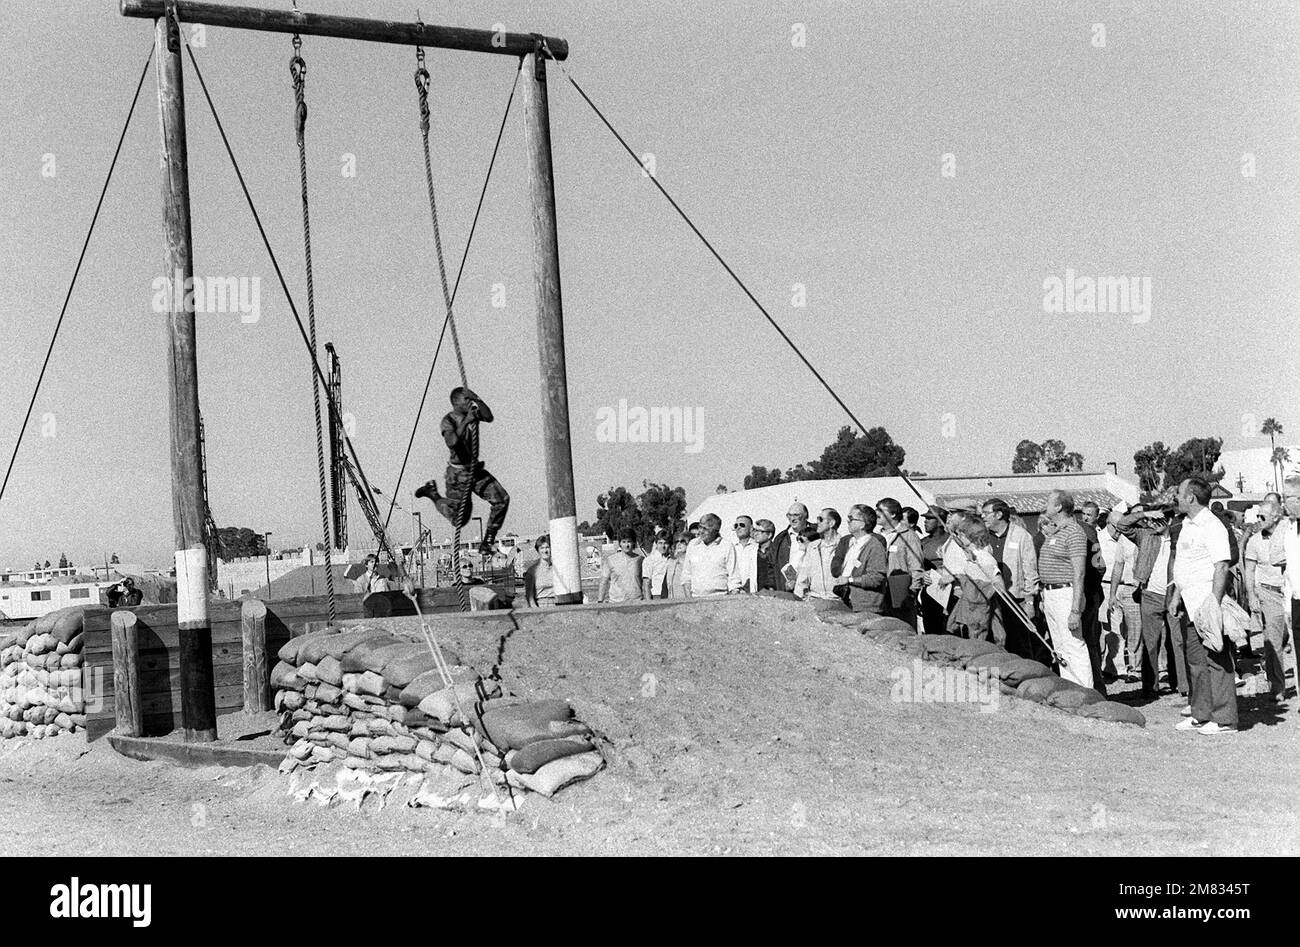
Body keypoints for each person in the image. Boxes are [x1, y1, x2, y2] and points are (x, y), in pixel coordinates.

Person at [1171, 477, 1237, 734]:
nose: (1175, 496)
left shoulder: (1213, 525)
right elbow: (1185, 566)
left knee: (1217, 661)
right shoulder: (1187, 524)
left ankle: (1225, 719)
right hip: (1189, 602)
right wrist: (1176, 595)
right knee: (1196, 661)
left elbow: (1222, 565)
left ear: (1191, 497)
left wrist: (1214, 604)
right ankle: (1201, 714)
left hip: (1207, 602)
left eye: (1179, 492)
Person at [415, 386, 510, 556]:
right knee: (458, 520)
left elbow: (489, 416)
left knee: (502, 499)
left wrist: (477, 398)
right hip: (457, 475)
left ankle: (488, 541)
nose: (469, 402)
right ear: (456, 402)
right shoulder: (448, 420)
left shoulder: (474, 412)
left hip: (474, 470)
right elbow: (452, 442)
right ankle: (433, 494)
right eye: (466, 399)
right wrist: (467, 421)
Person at [1037, 490, 1094, 689]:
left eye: (1048, 502)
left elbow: (1079, 574)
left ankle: (1085, 694)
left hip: (1066, 594)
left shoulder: (1075, 532)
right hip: (1051, 594)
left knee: (1074, 645)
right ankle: (1070, 691)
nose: (1045, 505)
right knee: (1060, 647)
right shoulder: (1057, 531)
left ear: (1059, 507)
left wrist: (1075, 610)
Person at [1243, 498, 1290, 703]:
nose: (1259, 520)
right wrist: (1252, 596)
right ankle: (1278, 686)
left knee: (1286, 637)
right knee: (1273, 641)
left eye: (1263, 516)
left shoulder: (1289, 536)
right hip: (1268, 593)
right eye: (1258, 516)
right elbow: (1249, 571)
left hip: (1290, 592)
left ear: (1276, 517)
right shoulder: (1254, 541)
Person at [980, 498, 1039, 654]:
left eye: (986, 513)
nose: (983, 517)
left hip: (1016, 600)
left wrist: (1030, 601)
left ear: (999, 514)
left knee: (1019, 644)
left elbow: (1030, 570)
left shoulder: (1021, 536)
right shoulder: (983, 537)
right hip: (991, 600)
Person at [875, 497, 924, 627]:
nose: (876, 513)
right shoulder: (877, 537)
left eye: (880, 510)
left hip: (900, 593)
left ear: (893, 514)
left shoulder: (908, 536)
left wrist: (913, 591)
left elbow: (916, 565)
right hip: (880, 593)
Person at [831, 505, 888, 614]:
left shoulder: (875, 546)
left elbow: (876, 578)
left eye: (851, 519)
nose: (848, 521)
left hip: (866, 609)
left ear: (863, 524)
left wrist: (849, 580)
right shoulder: (851, 544)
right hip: (848, 604)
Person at [683, 514, 740, 597]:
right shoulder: (692, 545)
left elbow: (734, 578)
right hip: (695, 598)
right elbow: (686, 575)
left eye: (705, 529)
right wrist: (688, 599)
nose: (701, 531)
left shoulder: (727, 546)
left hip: (720, 598)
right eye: (700, 527)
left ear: (716, 531)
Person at [794, 511, 844, 606]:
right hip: (814, 601)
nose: (817, 522)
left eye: (820, 519)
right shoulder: (813, 546)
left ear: (831, 523)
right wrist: (798, 602)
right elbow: (803, 577)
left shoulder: (845, 545)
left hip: (837, 602)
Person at [918, 507, 949, 635]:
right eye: (925, 518)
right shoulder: (923, 542)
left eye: (930, 518)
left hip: (947, 590)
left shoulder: (950, 540)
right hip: (929, 589)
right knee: (931, 627)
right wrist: (921, 575)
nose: (925, 521)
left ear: (939, 521)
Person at [770, 503, 810, 592]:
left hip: (811, 589)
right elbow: (772, 565)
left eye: (796, 515)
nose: (792, 519)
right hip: (788, 589)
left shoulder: (817, 533)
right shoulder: (780, 538)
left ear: (805, 516)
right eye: (789, 515)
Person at [598, 528, 644, 603]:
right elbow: (603, 581)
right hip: (616, 602)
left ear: (633, 543)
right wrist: (600, 601)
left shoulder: (641, 560)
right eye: (624, 542)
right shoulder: (611, 560)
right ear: (620, 543)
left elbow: (645, 582)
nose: (627, 545)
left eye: (629, 542)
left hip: (636, 601)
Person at [642, 530, 681, 600]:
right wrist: (648, 602)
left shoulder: (674, 559)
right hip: (657, 595)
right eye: (660, 543)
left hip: (671, 595)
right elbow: (646, 583)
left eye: (665, 543)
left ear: (670, 544)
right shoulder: (649, 560)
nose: (663, 546)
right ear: (656, 544)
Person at [524, 534, 556, 607]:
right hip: (541, 606)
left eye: (547, 547)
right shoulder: (532, 571)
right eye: (542, 548)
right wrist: (537, 612)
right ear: (538, 550)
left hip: (558, 604)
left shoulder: (557, 569)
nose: (545, 551)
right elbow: (529, 598)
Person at [731, 515, 760, 593]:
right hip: (733, 592)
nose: (738, 527)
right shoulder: (731, 548)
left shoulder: (757, 547)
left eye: (742, 525)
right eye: (736, 525)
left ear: (751, 528)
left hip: (753, 592)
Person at [753, 519, 781, 591]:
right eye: (755, 530)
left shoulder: (778, 551)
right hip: (756, 593)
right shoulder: (752, 552)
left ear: (769, 535)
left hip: (775, 593)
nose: (755, 534)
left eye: (760, 531)